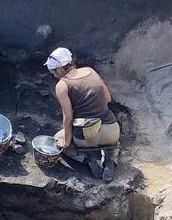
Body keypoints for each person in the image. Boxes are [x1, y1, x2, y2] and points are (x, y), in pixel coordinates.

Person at [46, 47, 120, 182]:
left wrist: (66, 142)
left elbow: (68, 117)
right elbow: (108, 98)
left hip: (87, 136)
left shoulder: (62, 85)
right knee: (115, 144)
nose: (54, 75)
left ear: (60, 69)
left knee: (58, 139)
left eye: (54, 71)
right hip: (111, 130)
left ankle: (88, 159)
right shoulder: (90, 71)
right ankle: (110, 160)